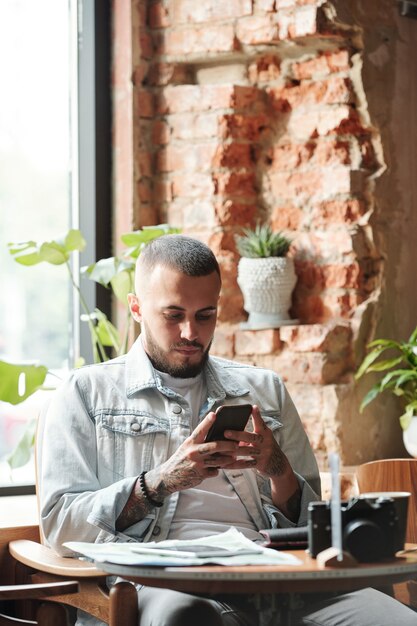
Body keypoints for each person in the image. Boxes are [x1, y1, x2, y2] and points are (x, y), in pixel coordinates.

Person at [40, 235, 417, 626]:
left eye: (205, 315)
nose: (191, 332)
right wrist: (158, 484)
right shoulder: (85, 392)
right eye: (173, 315)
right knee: (186, 618)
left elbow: (309, 526)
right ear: (136, 308)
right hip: (164, 584)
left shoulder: (263, 389)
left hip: (277, 576)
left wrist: (278, 471)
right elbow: (60, 524)